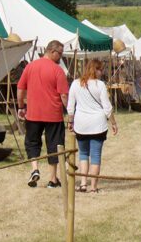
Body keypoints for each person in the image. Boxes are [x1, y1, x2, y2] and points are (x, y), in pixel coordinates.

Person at [17, 40, 70, 188]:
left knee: (32, 142)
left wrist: (21, 107)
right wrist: (71, 113)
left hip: (33, 113)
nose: (61, 57)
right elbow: (64, 95)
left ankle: (35, 169)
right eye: (60, 53)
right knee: (55, 145)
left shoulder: (30, 66)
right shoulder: (57, 70)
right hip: (53, 114)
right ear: (52, 51)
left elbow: (20, 89)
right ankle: (53, 179)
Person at [66, 59, 118, 193]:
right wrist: (113, 123)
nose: (102, 72)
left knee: (83, 154)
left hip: (81, 125)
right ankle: (93, 187)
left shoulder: (75, 83)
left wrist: (70, 121)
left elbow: (70, 106)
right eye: (101, 70)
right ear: (96, 70)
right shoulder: (100, 85)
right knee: (95, 155)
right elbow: (107, 107)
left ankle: (83, 184)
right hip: (98, 125)